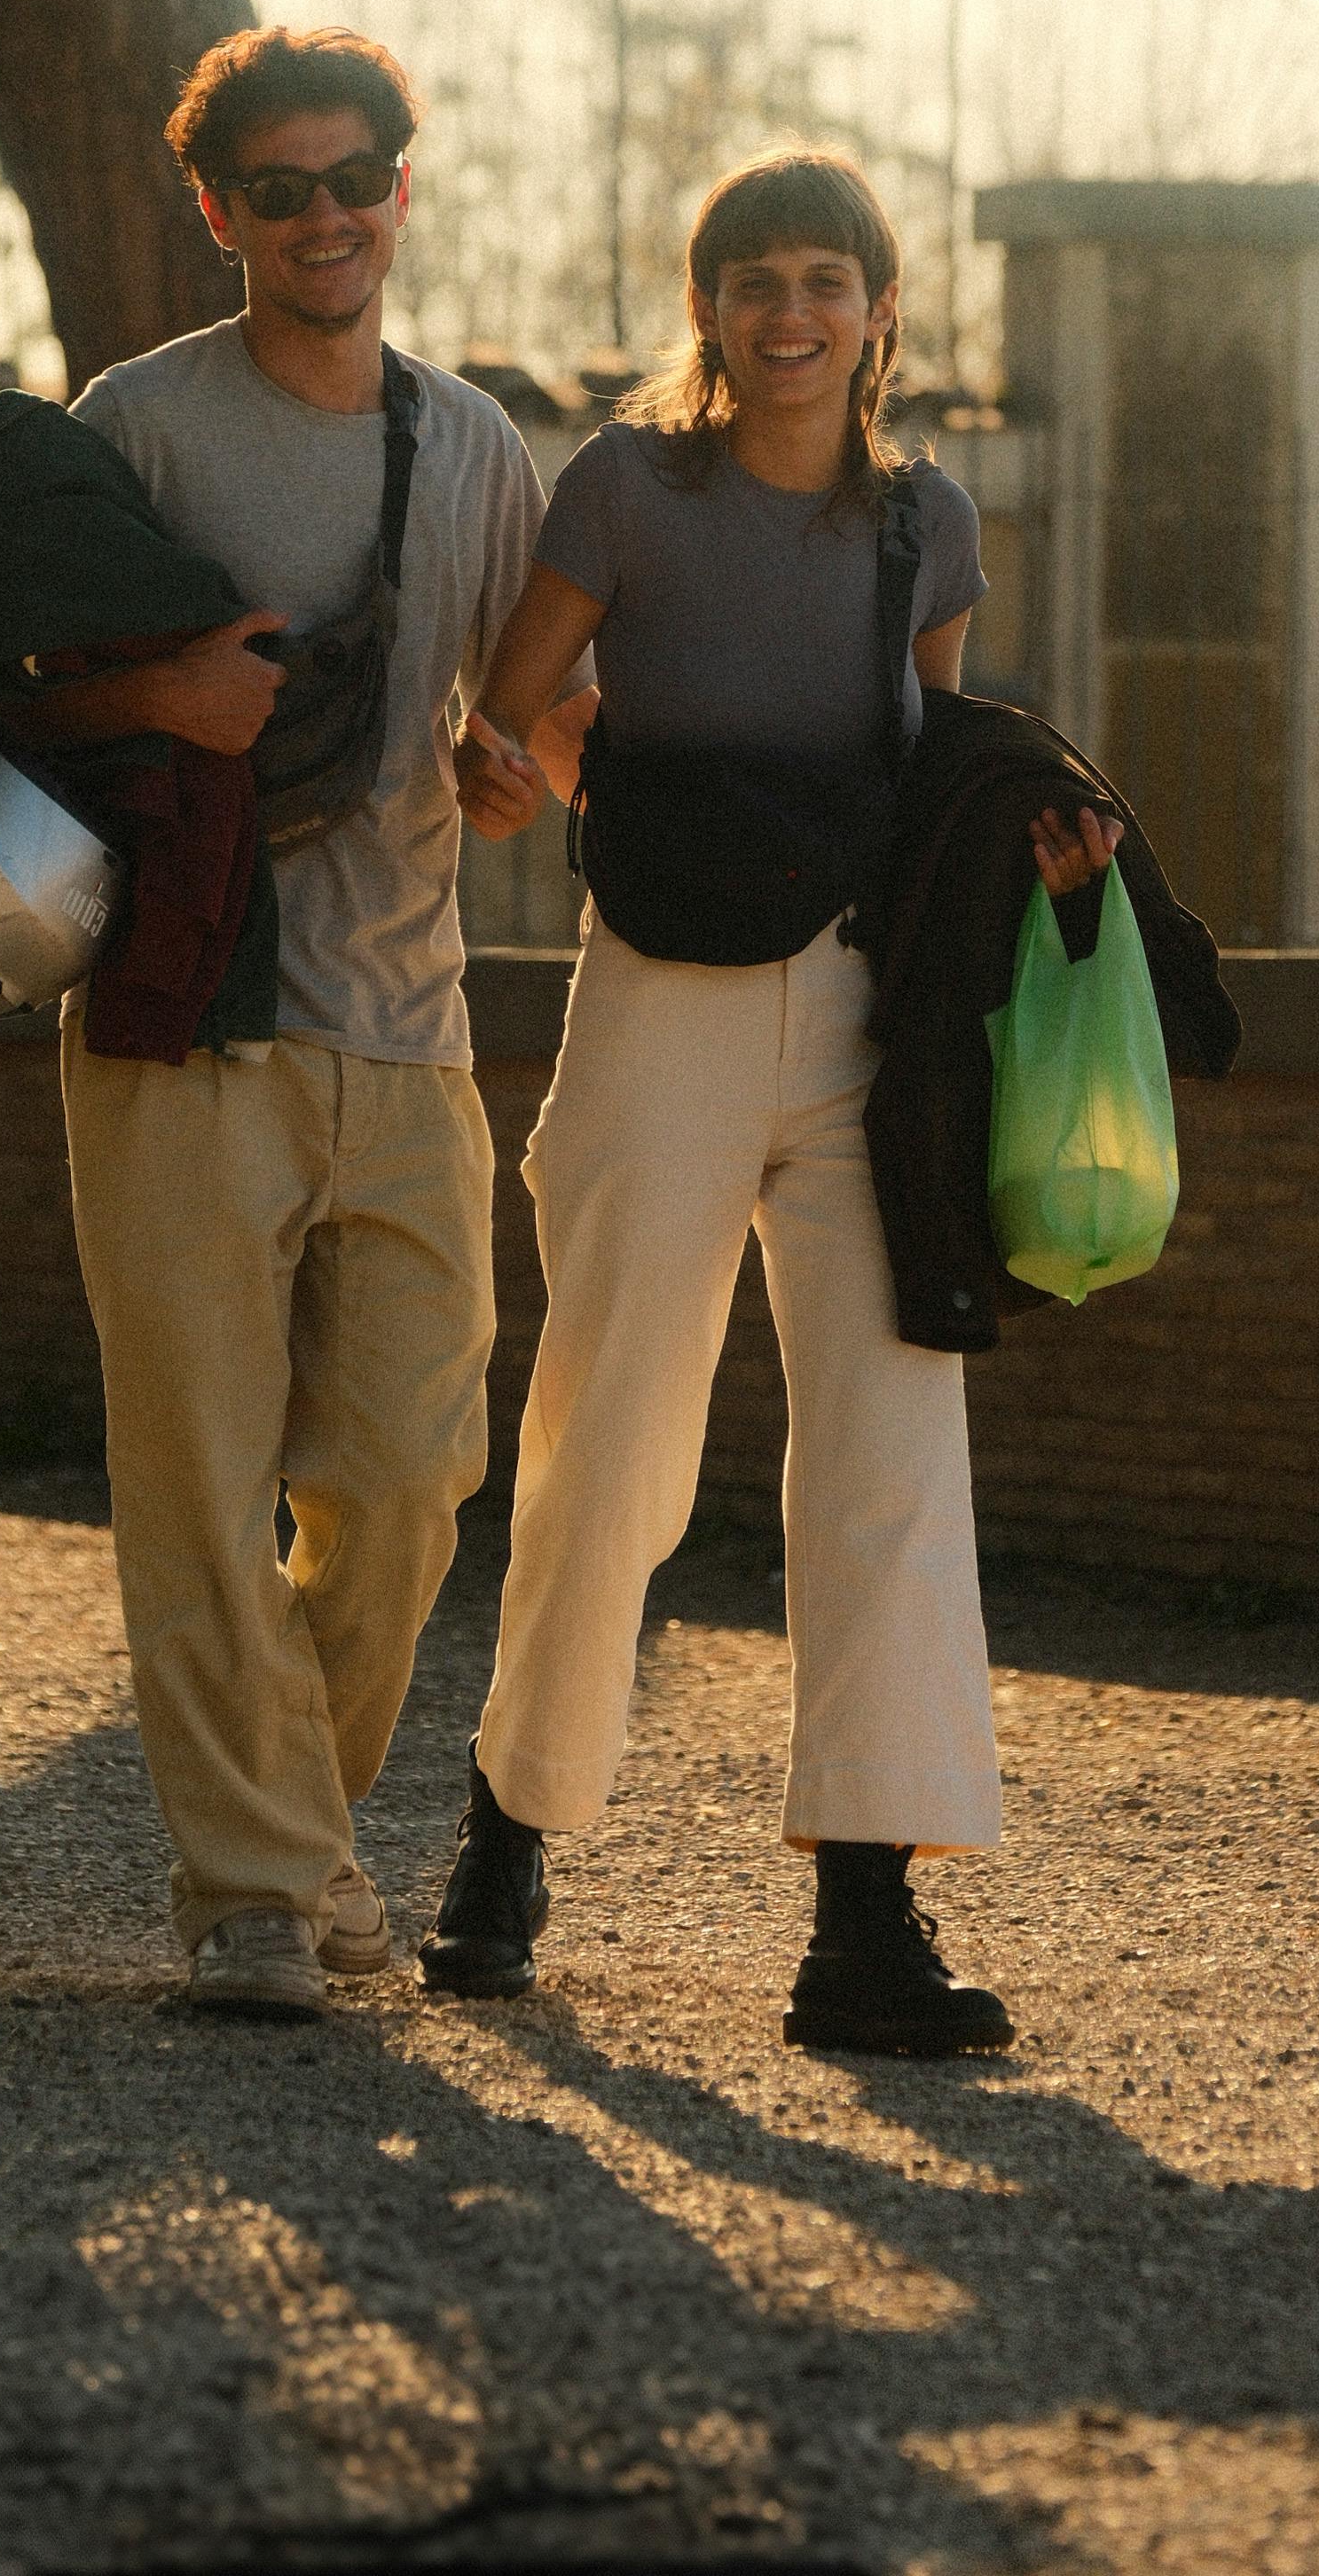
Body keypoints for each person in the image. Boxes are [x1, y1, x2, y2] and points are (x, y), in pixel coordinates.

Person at [420, 146, 1117, 2057]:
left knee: (891, 1455)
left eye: (823, 278)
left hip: (864, 1030)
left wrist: (1042, 835)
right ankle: (510, 1830)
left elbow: (924, 764)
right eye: (751, 281)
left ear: (876, 308)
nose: (787, 313)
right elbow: (519, 704)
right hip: (655, 1003)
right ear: (706, 308)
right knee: (608, 1436)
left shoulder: (924, 521)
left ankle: (861, 1925)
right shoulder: (624, 489)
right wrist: (557, 783)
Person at [29, 24, 588, 2021]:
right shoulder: (138, 424)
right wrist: (151, 706)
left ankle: (303, 1843)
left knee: (407, 1477)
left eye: (357, 176)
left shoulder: (478, 447)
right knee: (193, 1472)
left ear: (403, 188)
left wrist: (521, 761)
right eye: (280, 188)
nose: (325, 214)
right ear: (220, 214)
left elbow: (538, 705)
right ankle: (259, 1900)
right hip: (185, 1012)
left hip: (410, 1026)